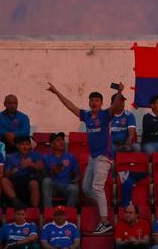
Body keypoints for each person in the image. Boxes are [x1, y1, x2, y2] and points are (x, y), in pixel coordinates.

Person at [47, 83, 113, 234]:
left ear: (101, 103)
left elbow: (115, 107)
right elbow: (70, 106)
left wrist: (120, 92)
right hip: (93, 158)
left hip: (104, 157)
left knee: (97, 188)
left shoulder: (104, 115)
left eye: (96, 100)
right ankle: (103, 208)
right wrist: (57, 92)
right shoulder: (87, 115)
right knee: (86, 188)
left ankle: (105, 221)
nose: (93, 102)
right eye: (91, 100)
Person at [2, 135, 43, 208]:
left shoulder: (36, 154)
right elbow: (6, 174)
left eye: (27, 144)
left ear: (30, 145)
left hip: (30, 178)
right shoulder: (10, 156)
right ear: (17, 146)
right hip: (16, 178)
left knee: (34, 183)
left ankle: (34, 209)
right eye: (22, 144)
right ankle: (16, 202)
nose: (25, 147)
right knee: (4, 180)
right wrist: (15, 170)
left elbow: (41, 167)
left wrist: (30, 164)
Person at [42, 132, 80, 208]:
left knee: (75, 188)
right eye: (58, 140)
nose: (61, 142)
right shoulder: (46, 157)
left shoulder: (71, 156)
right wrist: (53, 172)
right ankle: (48, 212)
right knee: (46, 181)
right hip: (53, 187)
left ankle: (69, 215)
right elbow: (44, 176)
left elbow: (77, 174)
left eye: (62, 140)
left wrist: (76, 180)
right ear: (52, 144)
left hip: (66, 186)